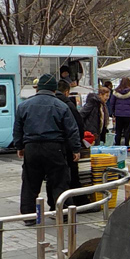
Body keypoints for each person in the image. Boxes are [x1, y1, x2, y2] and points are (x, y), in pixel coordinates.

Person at [13, 74, 81, 221]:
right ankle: (60, 213)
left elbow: (18, 128)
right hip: (54, 147)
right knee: (58, 181)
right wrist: (75, 149)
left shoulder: (24, 105)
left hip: (31, 147)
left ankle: (29, 216)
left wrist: (19, 146)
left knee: (30, 182)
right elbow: (72, 129)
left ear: (39, 88)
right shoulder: (61, 106)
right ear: (54, 89)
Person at [49, 79, 85, 207]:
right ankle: (76, 202)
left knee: (53, 177)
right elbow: (77, 126)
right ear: (67, 92)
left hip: (52, 146)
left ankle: (53, 203)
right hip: (67, 145)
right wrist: (77, 146)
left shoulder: (50, 103)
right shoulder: (67, 105)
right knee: (71, 175)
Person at [112, 78, 130, 146]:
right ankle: (127, 145)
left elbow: (112, 103)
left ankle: (117, 144)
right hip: (129, 115)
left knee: (118, 130)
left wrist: (113, 112)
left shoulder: (115, 93)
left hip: (118, 114)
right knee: (128, 131)